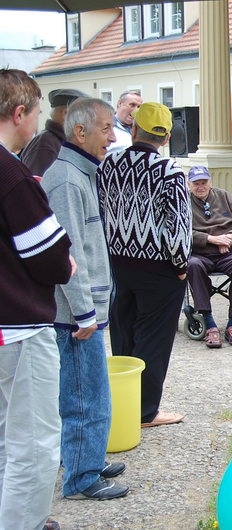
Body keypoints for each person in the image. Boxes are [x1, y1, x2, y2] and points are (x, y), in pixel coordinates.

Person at [41, 98, 130, 501]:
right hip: (75, 317)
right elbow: (68, 254)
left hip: (82, 312)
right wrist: (83, 314)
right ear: (80, 132)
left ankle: (85, 458)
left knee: (91, 392)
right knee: (84, 396)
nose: (112, 137)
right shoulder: (66, 180)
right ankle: (81, 476)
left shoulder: (80, 173)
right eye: (106, 128)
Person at [0, 68, 74, 530]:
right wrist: (67, 263)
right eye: (37, 111)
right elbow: (48, 256)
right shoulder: (11, 174)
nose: (38, 120)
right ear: (19, 113)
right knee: (33, 444)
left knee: (6, 440)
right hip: (19, 327)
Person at [98, 102, 192, 428]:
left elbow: (101, 212)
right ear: (165, 137)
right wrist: (181, 264)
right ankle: (146, 411)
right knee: (153, 339)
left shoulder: (108, 165)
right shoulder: (169, 170)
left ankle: (123, 404)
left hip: (119, 263)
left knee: (123, 334)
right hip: (159, 267)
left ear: (134, 128)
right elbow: (178, 224)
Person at [186, 165, 232, 348]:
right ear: (189, 185)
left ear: (210, 182)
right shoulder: (183, 202)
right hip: (199, 253)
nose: (200, 187)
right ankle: (209, 324)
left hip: (228, 253)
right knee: (192, 265)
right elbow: (178, 231)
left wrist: (231, 236)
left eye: (204, 182)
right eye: (196, 183)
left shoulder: (224, 197)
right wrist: (211, 239)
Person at [21, 87, 89, 176]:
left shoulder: (60, 141)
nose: (89, 120)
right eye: (85, 114)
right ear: (65, 113)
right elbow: (39, 183)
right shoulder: (45, 146)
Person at [106, 90, 142, 156]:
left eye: (139, 107)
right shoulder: (106, 128)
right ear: (120, 103)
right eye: (132, 105)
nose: (136, 110)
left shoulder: (141, 130)